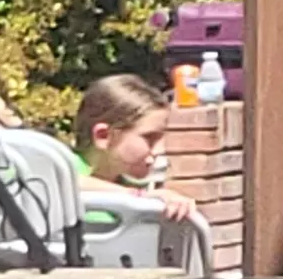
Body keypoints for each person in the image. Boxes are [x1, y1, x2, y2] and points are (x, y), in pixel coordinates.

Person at [74, 74, 201, 227]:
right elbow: (61, 181)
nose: (160, 150)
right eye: (150, 138)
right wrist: (138, 198)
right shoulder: (60, 166)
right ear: (103, 136)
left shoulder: (126, 186)